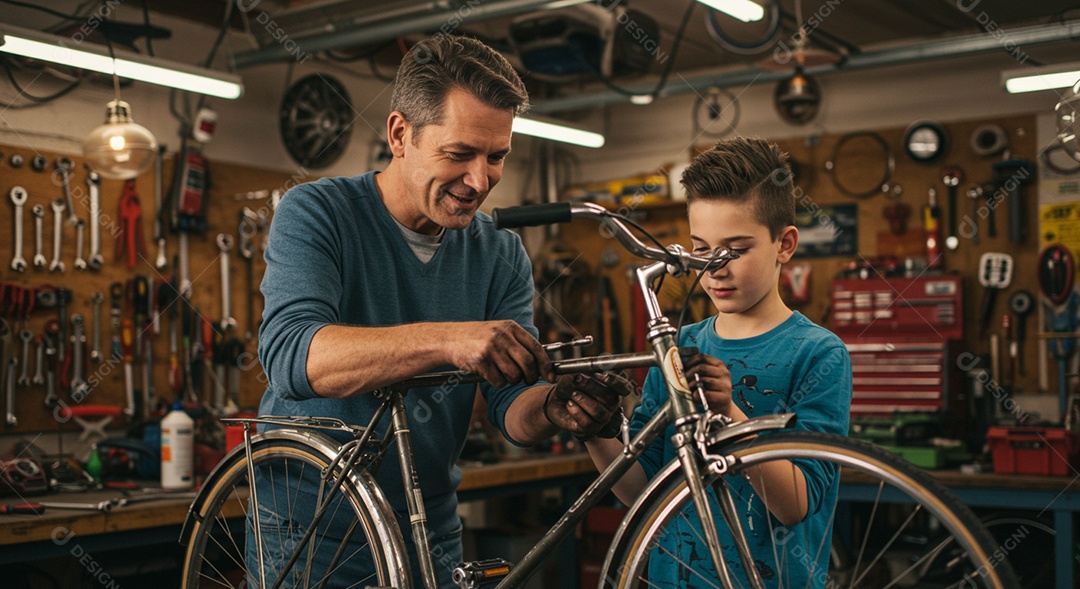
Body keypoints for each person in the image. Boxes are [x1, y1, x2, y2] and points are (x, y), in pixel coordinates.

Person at [254, 34, 631, 588]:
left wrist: (556, 407)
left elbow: (511, 408)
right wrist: (450, 339)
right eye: (459, 154)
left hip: (428, 527)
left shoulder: (499, 252)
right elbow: (294, 358)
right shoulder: (318, 213)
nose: (480, 181)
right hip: (310, 531)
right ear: (399, 135)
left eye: (496, 157)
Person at [583, 137, 853, 588]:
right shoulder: (678, 346)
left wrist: (728, 412)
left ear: (785, 244)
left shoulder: (818, 353)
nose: (715, 268)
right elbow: (642, 492)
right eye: (701, 249)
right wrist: (597, 432)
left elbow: (796, 505)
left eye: (736, 250)